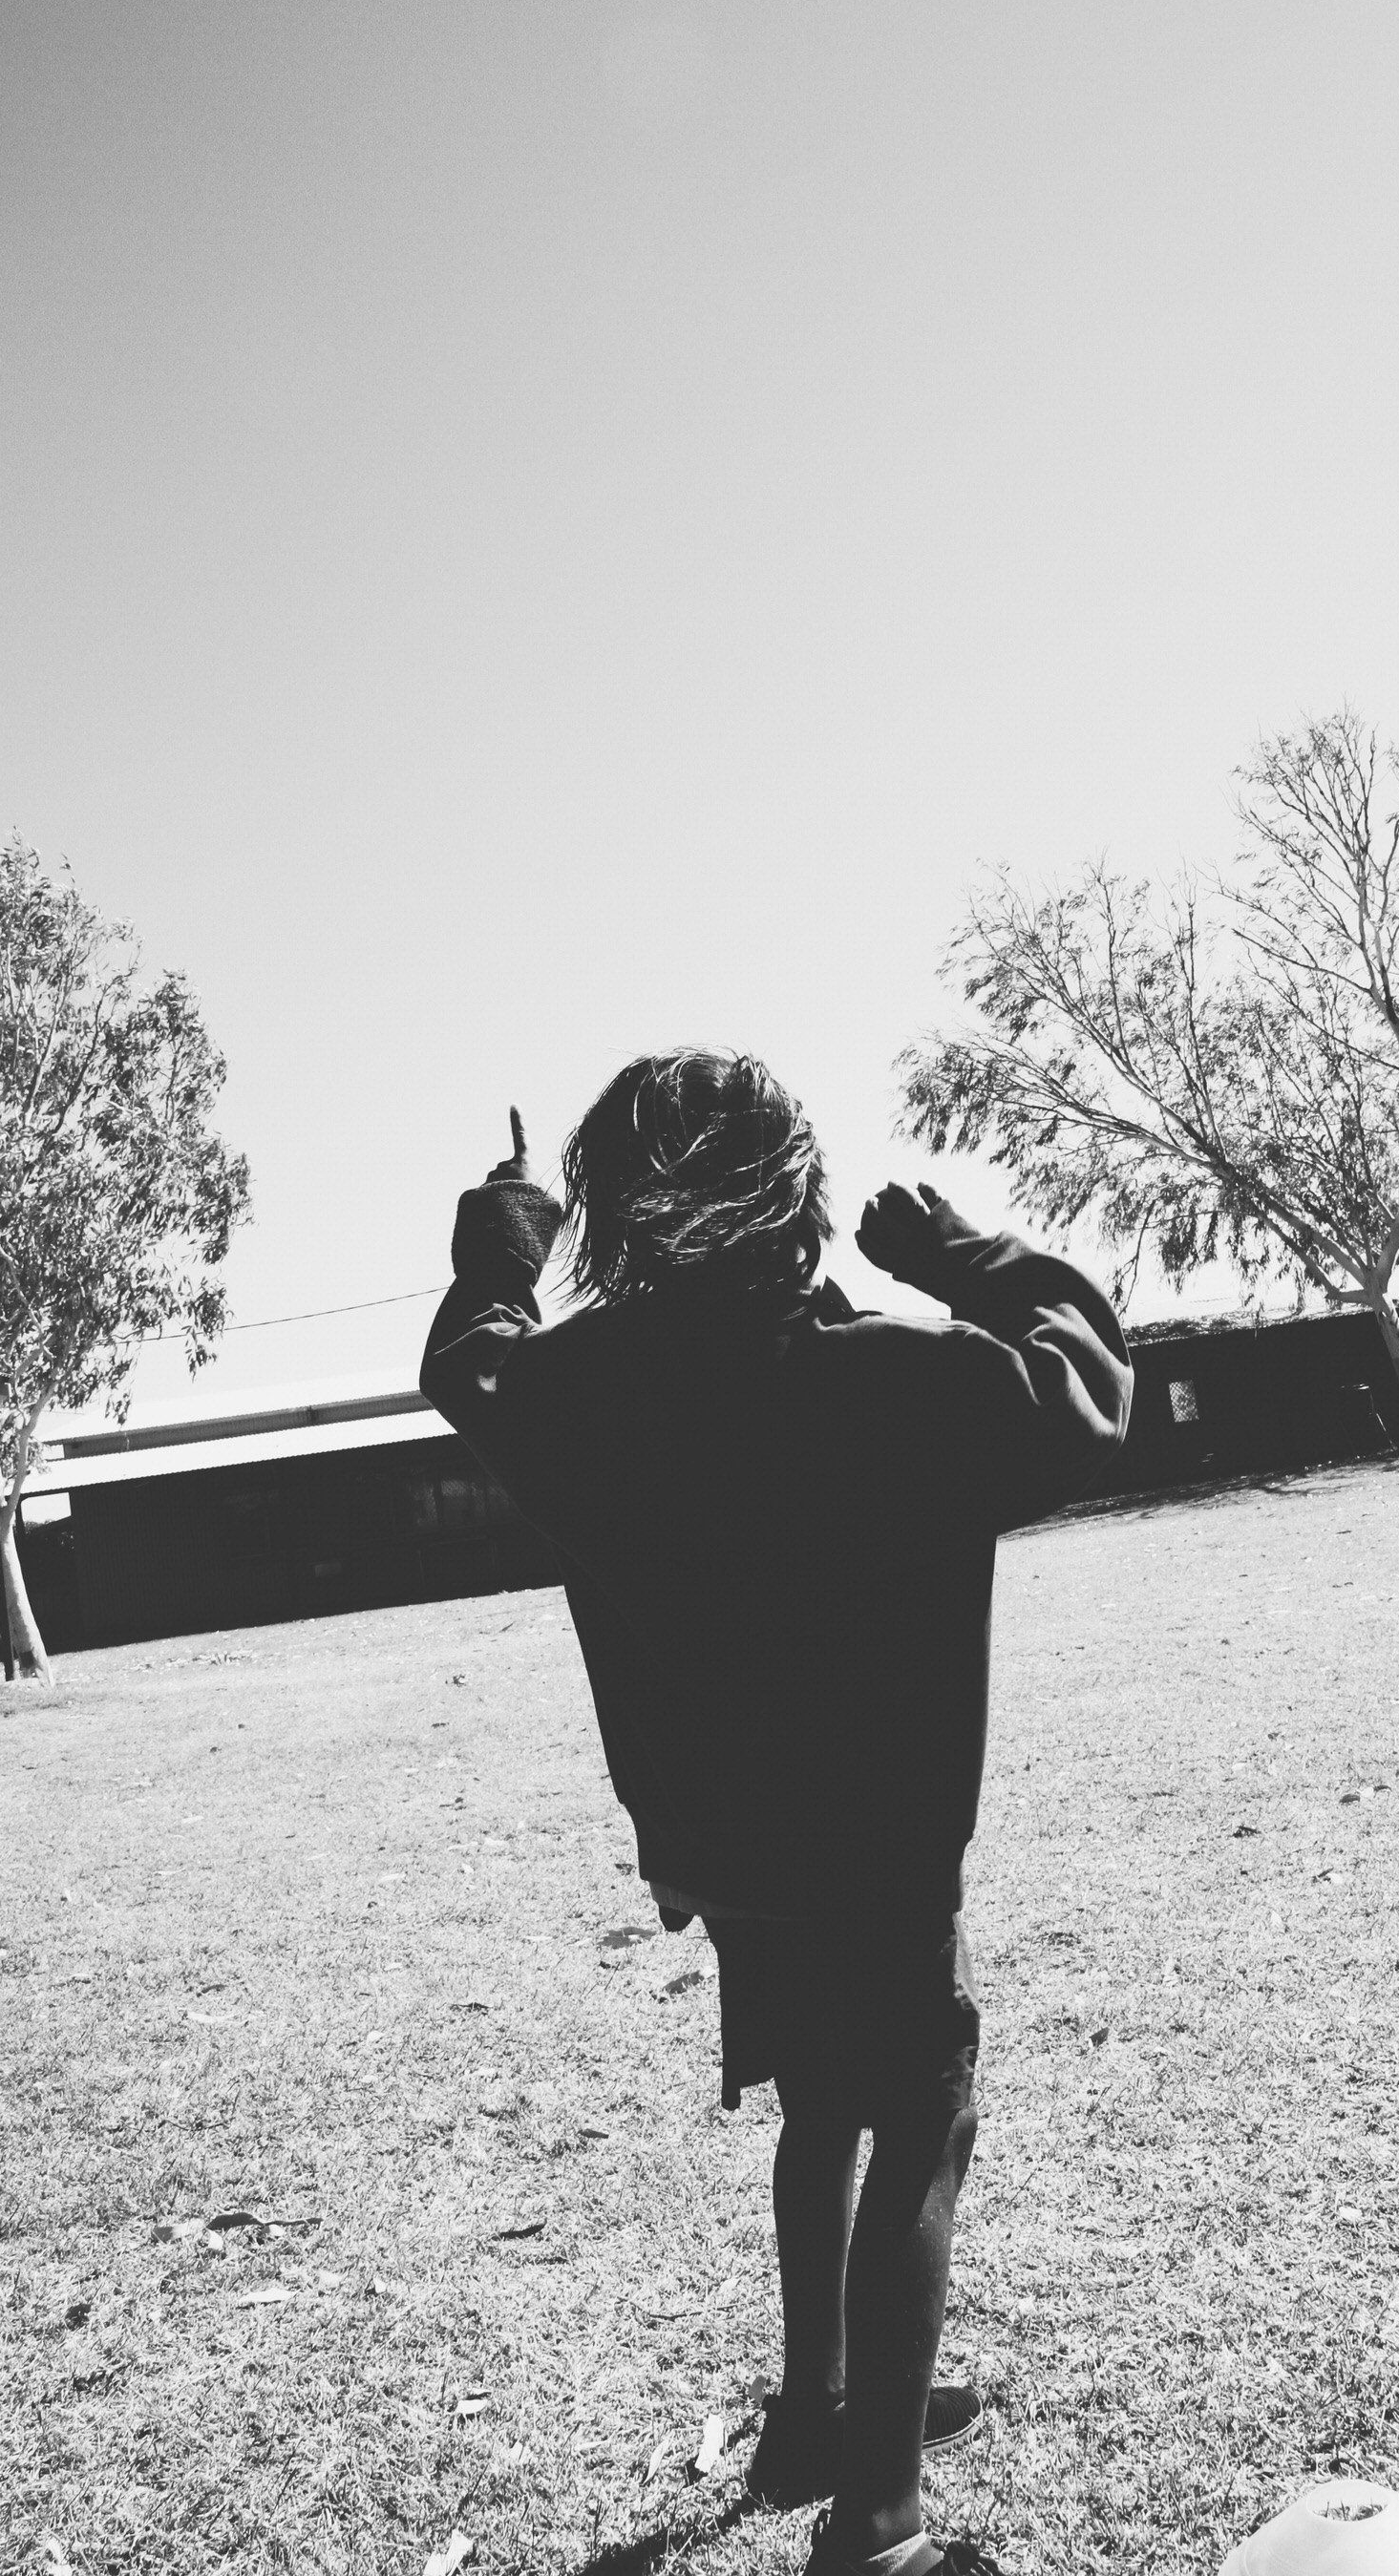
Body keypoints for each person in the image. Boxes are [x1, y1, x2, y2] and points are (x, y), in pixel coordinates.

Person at [420, 1053, 1133, 2576]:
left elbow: (473, 1360)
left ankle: (813, 2411)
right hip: (880, 1836)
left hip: (719, 1840)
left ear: (617, 1217)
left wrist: (503, 1242)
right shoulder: (903, 1379)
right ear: (800, 1200)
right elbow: (1086, 1384)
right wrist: (960, 1253)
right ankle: (876, 2529)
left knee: (823, 2099)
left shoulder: (572, 1396)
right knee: (926, 2105)